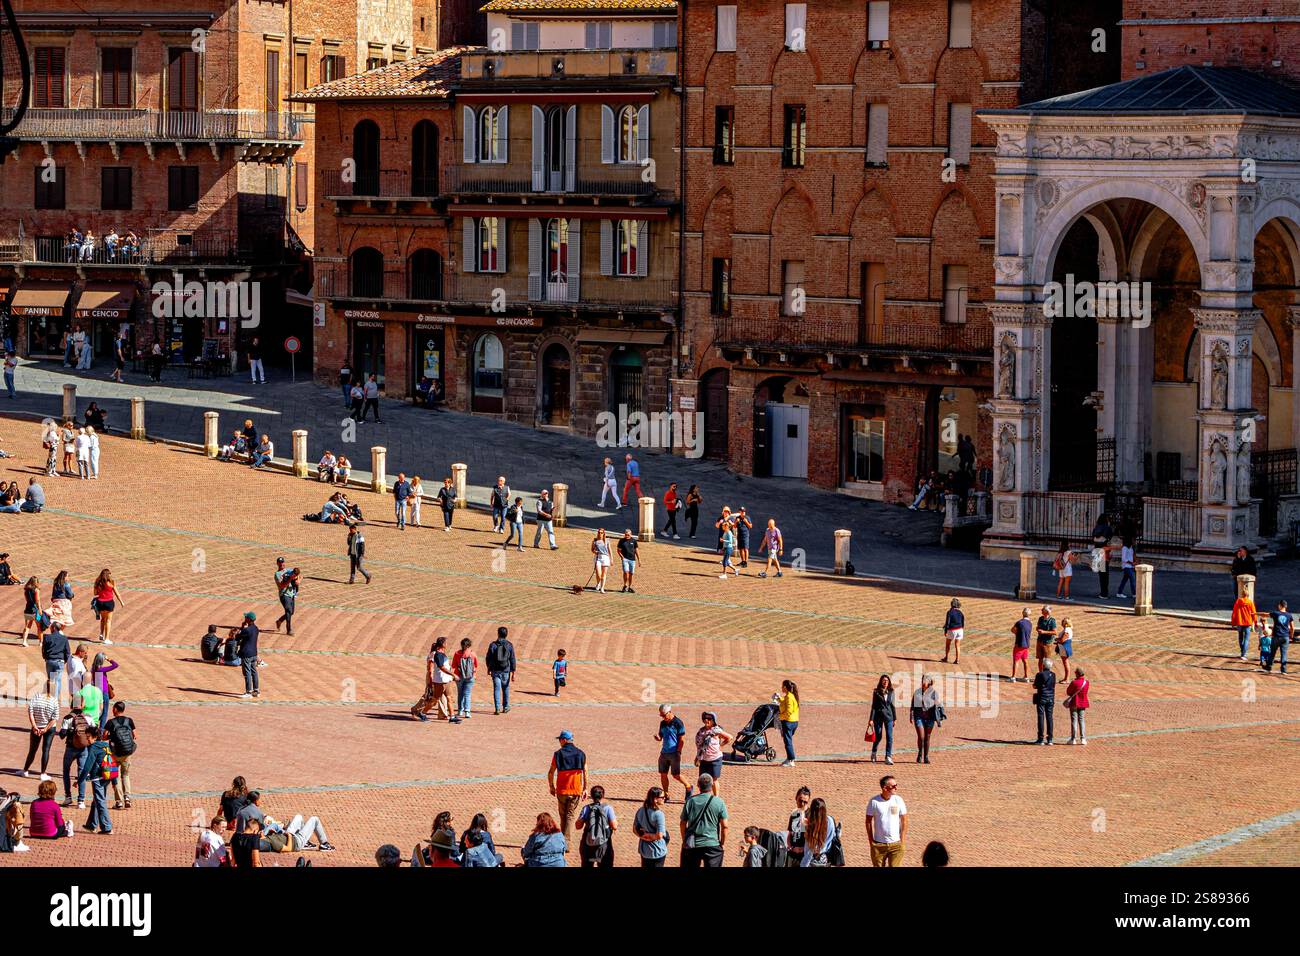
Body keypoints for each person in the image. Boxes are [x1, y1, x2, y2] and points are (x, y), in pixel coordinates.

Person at [679, 772, 728, 867]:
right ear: (712, 785)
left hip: (692, 843)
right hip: (712, 843)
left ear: (698, 785)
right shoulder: (719, 802)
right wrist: (722, 843)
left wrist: (684, 839)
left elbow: (682, 823)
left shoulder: (690, 801)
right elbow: (725, 826)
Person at [549, 729, 587, 843]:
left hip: (562, 790)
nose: (559, 742)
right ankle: (566, 842)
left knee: (563, 815)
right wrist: (585, 788)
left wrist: (551, 786)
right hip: (575, 790)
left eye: (560, 740)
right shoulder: (581, 754)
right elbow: (585, 771)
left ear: (564, 740)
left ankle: (564, 841)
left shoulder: (558, 754)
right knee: (570, 816)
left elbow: (551, 772)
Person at [411, 637, 457, 722]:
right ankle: (421, 712)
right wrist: (431, 680)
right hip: (438, 681)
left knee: (448, 698)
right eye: (446, 643)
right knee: (433, 699)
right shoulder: (436, 654)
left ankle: (451, 716)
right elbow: (435, 668)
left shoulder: (442, 654)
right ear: (442, 644)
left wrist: (450, 676)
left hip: (446, 680)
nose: (447, 644)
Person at [78, 726, 114, 834]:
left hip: (97, 777)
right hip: (107, 776)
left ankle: (107, 827)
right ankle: (92, 824)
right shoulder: (106, 745)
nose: (87, 739)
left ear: (94, 737)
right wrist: (114, 780)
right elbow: (112, 761)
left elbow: (87, 766)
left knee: (100, 801)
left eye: (88, 737)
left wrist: (80, 781)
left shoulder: (93, 747)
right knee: (97, 800)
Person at [866, 775, 908, 867]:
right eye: (893, 786)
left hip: (896, 844)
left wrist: (902, 840)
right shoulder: (874, 802)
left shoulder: (898, 800)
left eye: (896, 785)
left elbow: (904, 820)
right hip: (878, 845)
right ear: (885, 788)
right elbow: (868, 821)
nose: (896, 788)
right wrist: (871, 841)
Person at [60, 699, 95, 808]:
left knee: (66, 771)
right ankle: (81, 800)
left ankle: (68, 797)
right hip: (83, 748)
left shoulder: (68, 718)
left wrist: (70, 730)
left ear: (71, 705)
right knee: (82, 773)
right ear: (82, 705)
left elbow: (62, 735)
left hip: (70, 748)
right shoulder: (88, 717)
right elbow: (95, 730)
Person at [22, 680, 59, 780]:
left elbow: (30, 711)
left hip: (36, 727)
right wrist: (46, 729)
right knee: (46, 750)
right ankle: (43, 773)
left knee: (32, 750)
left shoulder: (36, 697)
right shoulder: (54, 700)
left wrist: (34, 726)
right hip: (49, 729)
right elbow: (55, 718)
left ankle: (25, 770)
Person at [575, 784, 617, 867]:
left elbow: (578, 826)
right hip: (603, 845)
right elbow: (614, 826)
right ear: (603, 796)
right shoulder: (608, 808)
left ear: (592, 796)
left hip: (588, 845)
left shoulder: (586, 808)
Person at [655, 703, 690, 800]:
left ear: (670, 712)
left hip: (674, 752)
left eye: (664, 715)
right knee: (663, 774)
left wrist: (678, 752)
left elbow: (682, 739)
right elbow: (661, 735)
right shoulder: (662, 723)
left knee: (676, 775)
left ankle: (688, 786)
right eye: (661, 715)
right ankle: (666, 794)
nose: (662, 717)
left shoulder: (678, 723)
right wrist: (658, 738)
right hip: (664, 752)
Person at [693, 711, 732, 793]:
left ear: (713, 720)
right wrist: (697, 757)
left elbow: (729, 737)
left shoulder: (716, 730)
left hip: (715, 759)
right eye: (705, 718)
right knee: (703, 779)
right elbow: (700, 746)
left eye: (709, 719)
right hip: (704, 759)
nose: (706, 720)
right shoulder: (701, 731)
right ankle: (704, 796)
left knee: (714, 779)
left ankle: (715, 798)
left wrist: (720, 746)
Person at [634, 787, 669, 867]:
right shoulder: (659, 814)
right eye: (662, 797)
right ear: (655, 799)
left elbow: (634, 829)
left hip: (644, 850)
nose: (664, 798)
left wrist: (643, 837)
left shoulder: (641, 810)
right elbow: (659, 835)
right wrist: (649, 837)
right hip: (657, 850)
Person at [800, 797, 839, 867]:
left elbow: (804, 837)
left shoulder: (809, 824)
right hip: (824, 860)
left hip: (810, 861)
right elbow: (834, 836)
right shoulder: (831, 821)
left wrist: (802, 815)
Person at [486, 625, 516, 715]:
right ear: (506, 634)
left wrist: (489, 668)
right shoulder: (509, 645)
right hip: (506, 670)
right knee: (506, 688)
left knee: (496, 689)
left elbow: (488, 658)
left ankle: (497, 708)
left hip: (495, 670)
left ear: (498, 634)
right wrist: (513, 671)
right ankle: (506, 707)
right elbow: (512, 659)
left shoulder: (493, 645)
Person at [910, 675, 939, 764]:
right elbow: (912, 705)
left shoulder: (934, 692)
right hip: (919, 717)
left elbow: (937, 706)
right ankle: (920, 753)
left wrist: (936, 706)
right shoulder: (917, 692)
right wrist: (911, 716)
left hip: (930, 718)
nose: (923, 682)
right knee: (921, 737)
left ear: (929, 683)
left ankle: (926, 756)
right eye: (922, 680)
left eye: (925, 681)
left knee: (927, 737)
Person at [869, 674, 896, 764]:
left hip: (889, 716)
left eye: (887, 681)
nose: (885, 682)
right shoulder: (876, 692)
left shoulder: (891, 692)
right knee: (878, 736)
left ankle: (888, 756)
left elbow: (892, 705)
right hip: (878, 716)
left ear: (889, 682)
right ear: (881, 681)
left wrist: (895, 718)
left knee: (889, 737)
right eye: (884, 680)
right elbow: (874, 706)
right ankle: (874, 752)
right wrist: (871, 719)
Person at [88, 652, 118, 730]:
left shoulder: (93, 669)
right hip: (103, 692)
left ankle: (94, 725)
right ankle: (101, 730)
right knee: (104, 712)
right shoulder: (101, 669)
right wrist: (109, 659)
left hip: (96, 692)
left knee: (97, 710)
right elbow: (115, 665)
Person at [234, 611, 260, 699]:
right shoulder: (256, 629)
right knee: (254, 671)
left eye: (246, 617)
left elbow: (237, 637)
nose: (244, 619)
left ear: (248, 619)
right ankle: (256, 690)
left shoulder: (246, 630)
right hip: (254, 653)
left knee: (247, 672)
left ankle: (248, 692)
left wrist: (242, 627)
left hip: (246, 654)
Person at [452, 637, 477, 719]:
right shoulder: (472, 654)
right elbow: (475, 665)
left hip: (459, 676)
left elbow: (453, 665)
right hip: (470, 676)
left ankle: (460, 710)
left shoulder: (457, 653)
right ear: (469, 645)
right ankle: (467, 711)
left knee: (460, 693)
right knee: (467, 694)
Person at [1033, 658, 1057, 745]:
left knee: (1041, 717)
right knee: (1049, 717)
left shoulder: (1040, 674)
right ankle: (1050, 739)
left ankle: (1040, 738)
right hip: (1051, 698)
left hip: (1042, 697)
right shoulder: (1053, 675)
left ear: (1043, 665)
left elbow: (1035, 686)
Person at [776, 679, 799, 767]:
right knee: (788, 740)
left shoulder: (789, 697)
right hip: (794, 721)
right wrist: (779, 699)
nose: (781, 688)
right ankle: (789, 757)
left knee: (788, 741)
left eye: (782, 686)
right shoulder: (790, 696)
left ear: (785, 687)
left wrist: (780, 717)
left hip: (788, 722)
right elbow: (784, 704)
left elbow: (788, 711)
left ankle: (791, 760)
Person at [274, 558, 300, 635]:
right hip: (284, 595)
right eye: (280, 562)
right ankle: (289, 630)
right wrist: (290, 579)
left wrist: (298, 580)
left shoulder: (289, 570)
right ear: (277, 564)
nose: (282, 564)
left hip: (291, 594)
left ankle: (279, 621)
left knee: (291, 612)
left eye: (282, 562)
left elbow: (298, 574)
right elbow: (282, 586)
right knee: (288, 610)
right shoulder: (277, 574)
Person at [1064, 667, 1090, 745]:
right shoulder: (1087, 682)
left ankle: (1073, 738)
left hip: (1074, 703)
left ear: (1077, 674)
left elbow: (1068, 692)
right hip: (1083, 703)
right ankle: (1083, 738)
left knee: (1074, 720)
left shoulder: (1074, 682)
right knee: (1081, 720)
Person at [786, 786, 811, 866]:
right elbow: (790, 833)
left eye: (805, 802)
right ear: (796, 798)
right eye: (800, 800)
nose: (802, 804)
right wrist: (791, 847)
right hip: (792, 855)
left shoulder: (811, 814)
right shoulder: (794, 814)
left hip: (805, 856)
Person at [1231, 590, 1258, 662]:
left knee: (1240, 637)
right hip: (1248, 622)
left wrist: (1233, 622)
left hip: (1239, 622)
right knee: (1246, 639)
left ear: (1242, 595)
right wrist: (1255, 622)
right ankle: (1243, 654)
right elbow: (1253, 613)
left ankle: (1242, 650)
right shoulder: (1250, 602)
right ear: (1248, 595)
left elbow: (1234, 612)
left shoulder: (1238, 601)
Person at [1267, 599, 1291, 674]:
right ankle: (1283, 670)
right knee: (1284, 653)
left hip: (1276, 636)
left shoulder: (1276, 613)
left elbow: (1265, 614)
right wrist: (1291, 635)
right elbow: (1292, 627)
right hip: (1285, 636)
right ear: (1286, 606)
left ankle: (1269, 666)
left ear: (1280, 605)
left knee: (1272, 652)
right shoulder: (1289, 615)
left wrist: (1255, 613)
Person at [1011, 607, 1033, 682]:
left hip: (1019, 644)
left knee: (1016, 661)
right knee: (1025, 660)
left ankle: (1013, 677)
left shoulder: (1019, 622)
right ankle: (1026, 676)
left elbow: (1012, 630)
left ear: (1023, 613)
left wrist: (1017, 633)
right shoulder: (1030, 623)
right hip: (1026, 645)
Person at [941, 597, 964, 664]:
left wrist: (945, 631)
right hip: (960, 630)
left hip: (952, 630)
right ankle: (957, 660)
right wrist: (961, 628)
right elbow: (962, 622)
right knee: (957, 645)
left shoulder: (949, 612)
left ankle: (946, 657)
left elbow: (948, 622)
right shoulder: (961, 612)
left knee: (948, 644)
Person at [617, 528, 641, 593]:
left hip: (632, 560)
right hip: (625, 559)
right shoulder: (621, 541)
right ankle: (625, 585)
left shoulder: (633, 541)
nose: (627, 536)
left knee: (631, 573)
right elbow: (618, 550)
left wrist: (639, 559)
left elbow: (636, 550)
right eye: (626, 535)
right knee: (626, 572)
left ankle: (630, 587)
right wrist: (622, 557)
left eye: (628, 535)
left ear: (631, 534)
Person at [591, 528, 612, 593]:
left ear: (604, 533)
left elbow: (609, 550)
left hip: (605, 557)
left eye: (601, 532)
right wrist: (595, 551)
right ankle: (598, 583)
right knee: (598, 573)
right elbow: (592, 549)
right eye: (599, 532)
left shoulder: (607, 540)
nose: (600, 534)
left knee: (604, 574)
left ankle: (602, 588)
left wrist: (611, 559)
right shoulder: (595, 540)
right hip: (598, 557)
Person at [1057, 615, 1074, 685]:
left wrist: (1057, 640)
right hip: (1064, 646)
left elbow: (1062, 640)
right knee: (1065, 662)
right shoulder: (1067, 629)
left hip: (1064, 647)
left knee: (1065, 662)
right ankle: (1066, 678)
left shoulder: (1067, 630)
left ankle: (1067, 678)